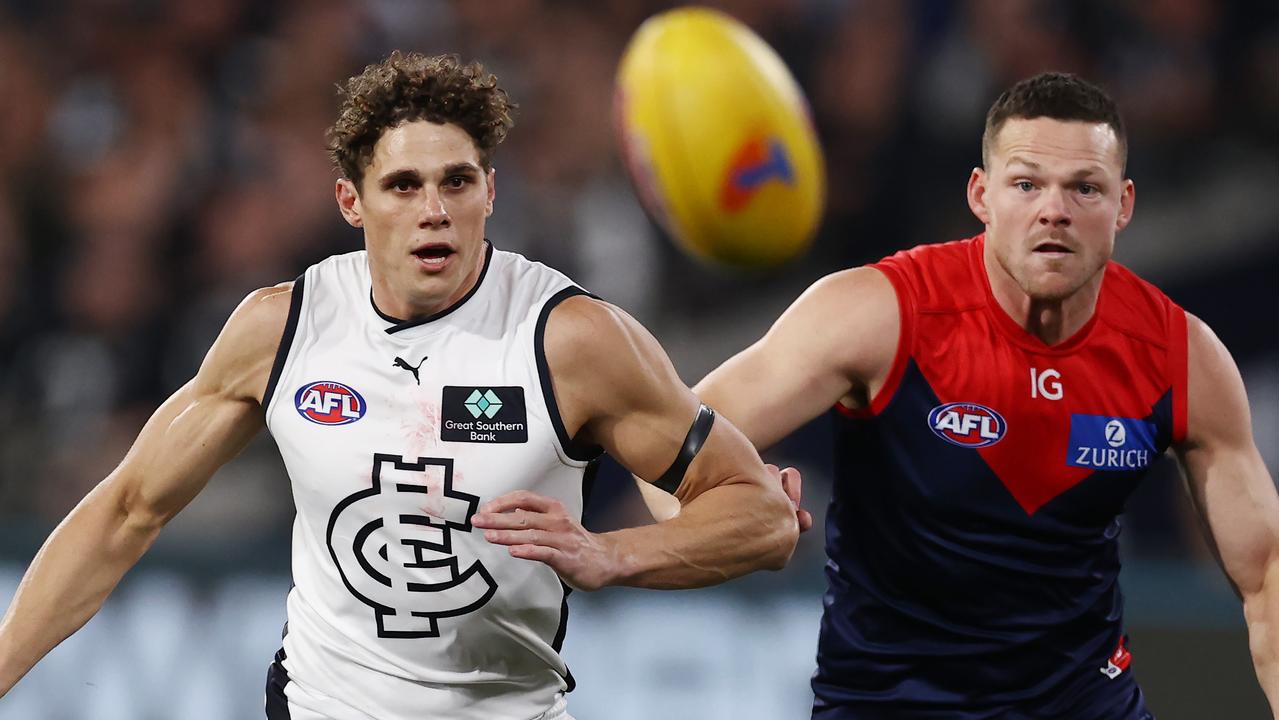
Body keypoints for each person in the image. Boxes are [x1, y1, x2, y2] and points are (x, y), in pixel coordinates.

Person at [0, 51, 802, 720]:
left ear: (490, 190)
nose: (434, 212)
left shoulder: (569, 341)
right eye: (403, 186)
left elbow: (763, 520)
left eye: (457, 183)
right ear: (352, 202)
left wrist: (612, 554)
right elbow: (126, 512)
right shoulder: (282, 330)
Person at [688, 72, 1279, 718]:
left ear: (1123, 204)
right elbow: (674, 445)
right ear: (981, 195)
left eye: (1084, 188)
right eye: (1026, 184)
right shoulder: (878, 316)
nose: (1053, 210)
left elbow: (1266, 575)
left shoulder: (1177, 355)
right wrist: (720, 523)